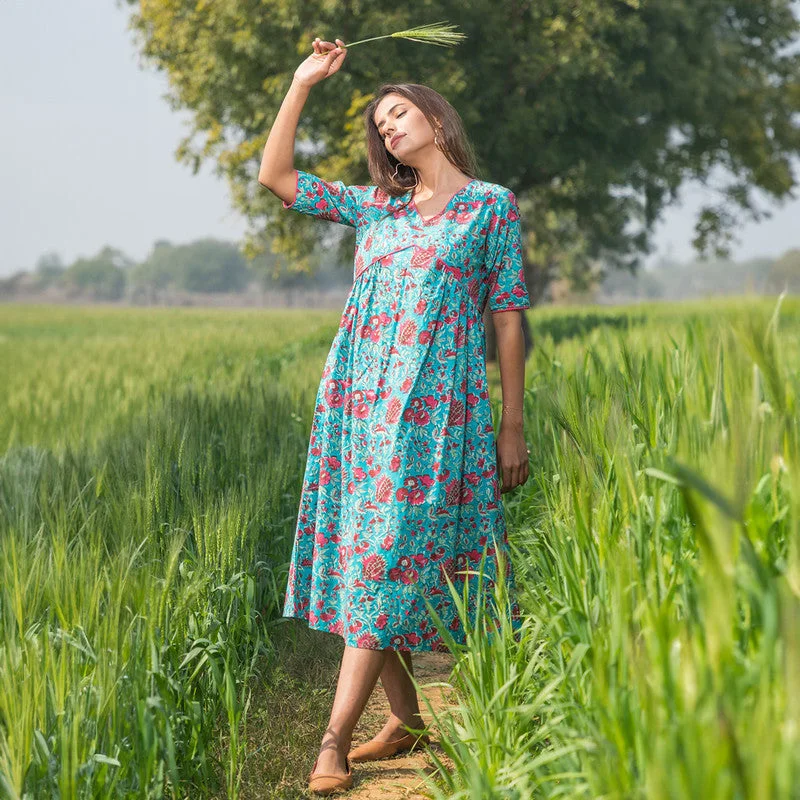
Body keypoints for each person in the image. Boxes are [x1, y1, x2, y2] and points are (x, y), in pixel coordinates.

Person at [258, 35, 531, 796]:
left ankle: (333, 740)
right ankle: (406, 717)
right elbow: (274, 176)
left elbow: (506, 318)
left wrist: (512, 424)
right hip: (358, 406)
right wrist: (303, 80)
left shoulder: (489, 208)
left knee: (386, 557)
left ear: (436, 120)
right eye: (380, 125)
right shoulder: (376, 207)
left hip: (440, 412)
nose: (388, 129)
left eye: (398, 114)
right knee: (378, 555)